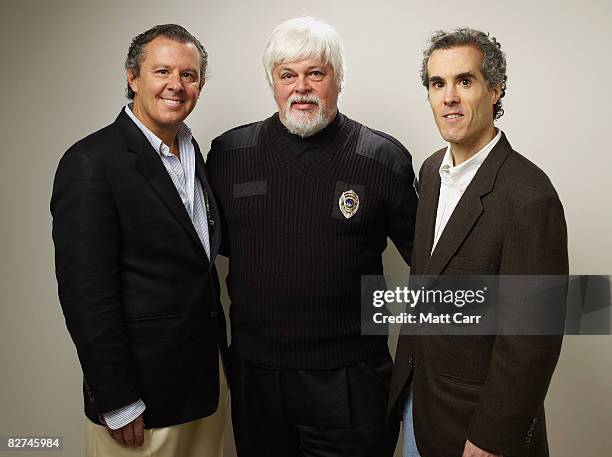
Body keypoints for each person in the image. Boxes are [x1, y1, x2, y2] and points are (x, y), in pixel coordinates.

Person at [206, 16, 418, 457]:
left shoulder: (382, 158)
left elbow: (433, 263)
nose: (301, 87)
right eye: (288, 75)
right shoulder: (229, 155)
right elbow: (207, 254)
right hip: (257, 377)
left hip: (351, 379)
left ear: (337, 79)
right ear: (273, 82)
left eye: (315, 73)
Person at [389, 28, 568, 457]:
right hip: (421, 406)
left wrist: (490, 438)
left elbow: (532, 341)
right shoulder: (431, 172)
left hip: (479, 430)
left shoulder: (530, 196)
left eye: (464, 81)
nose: (449, 96)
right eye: (438, 84)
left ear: (494, 89)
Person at [51, 24, 227, 457]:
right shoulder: (91, 162)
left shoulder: (193, 152)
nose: (176, 85)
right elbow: (86, 294)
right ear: (133, 78)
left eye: (189, 75)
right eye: (162, 71)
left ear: (200, 85)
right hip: (140, 403)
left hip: (203, 388)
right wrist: (118, 399)